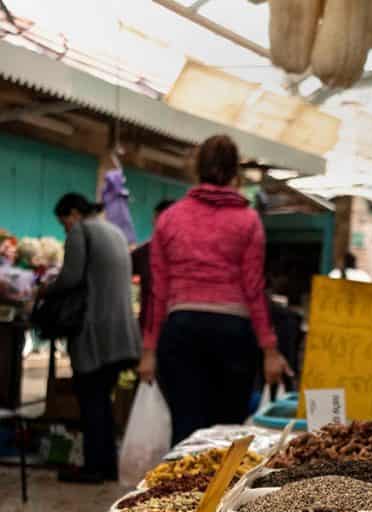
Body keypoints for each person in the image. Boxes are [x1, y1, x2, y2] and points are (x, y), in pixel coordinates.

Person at [139, 134, 289, 444]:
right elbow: (254, 288)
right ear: (235, 171)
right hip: (233, 335)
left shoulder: (169, 219)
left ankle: (187, 491)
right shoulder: (248, 221)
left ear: (197, 168)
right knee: (227, 436)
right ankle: (223, 492)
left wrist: (149, 350)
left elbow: (158, 290)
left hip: (181, 332)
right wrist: (269, 350)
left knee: (186, 432)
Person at [47, 193, 140, 483]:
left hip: (94, 333)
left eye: (64, 223)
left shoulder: (81, 231)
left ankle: (94, 468)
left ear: (74, 213)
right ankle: (107, 465)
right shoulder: (114, 231)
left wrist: (45, 290)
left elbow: (71, 277)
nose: (66, 229)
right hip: (122, 334)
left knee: (91, 401)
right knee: (102, 400)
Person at [131, 199, 175, 336]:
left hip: (175, 330)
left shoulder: (188, 254)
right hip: (147, 329)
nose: (155, 223)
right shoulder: (144, 252)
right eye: (156, 219)